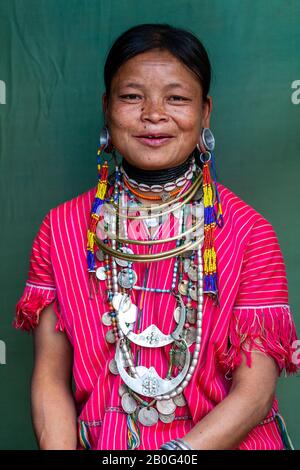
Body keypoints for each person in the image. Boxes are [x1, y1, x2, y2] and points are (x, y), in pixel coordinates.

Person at [14, 23, 299, 451]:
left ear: (205, 113)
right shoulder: (61, 230)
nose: (153, 114)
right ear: (106, 107)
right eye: (132, 96)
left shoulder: (248, 233)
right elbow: (50, 380)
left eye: (177, 98)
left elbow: (254, 393)